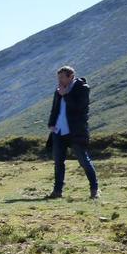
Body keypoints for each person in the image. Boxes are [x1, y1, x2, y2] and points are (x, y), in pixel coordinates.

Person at [46, 66, 99, 199]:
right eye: (59, 77)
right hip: (59, 131)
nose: (60, 80)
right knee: (58, 162)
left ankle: (94, 190)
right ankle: (57, 191)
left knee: (83, 161)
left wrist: (66, 95)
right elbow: (54, 108)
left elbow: (80, 108)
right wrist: (51, 124)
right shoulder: (59, 90)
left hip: (76, 131)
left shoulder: (82, 88)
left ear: (71, 76)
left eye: (62, 77)